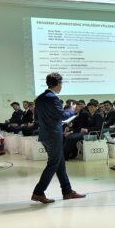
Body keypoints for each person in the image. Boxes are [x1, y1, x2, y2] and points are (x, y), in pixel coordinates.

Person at [31, 73, 85, 204]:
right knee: (53, 164)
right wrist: (72, 110)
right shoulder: (53, 98)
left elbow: (37, 118)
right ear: (58, 84)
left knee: (60, 164)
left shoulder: (39, 98)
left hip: (45, 134)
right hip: (53, 135)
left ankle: (67, 191)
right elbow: (63, 116)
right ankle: (38, 192)